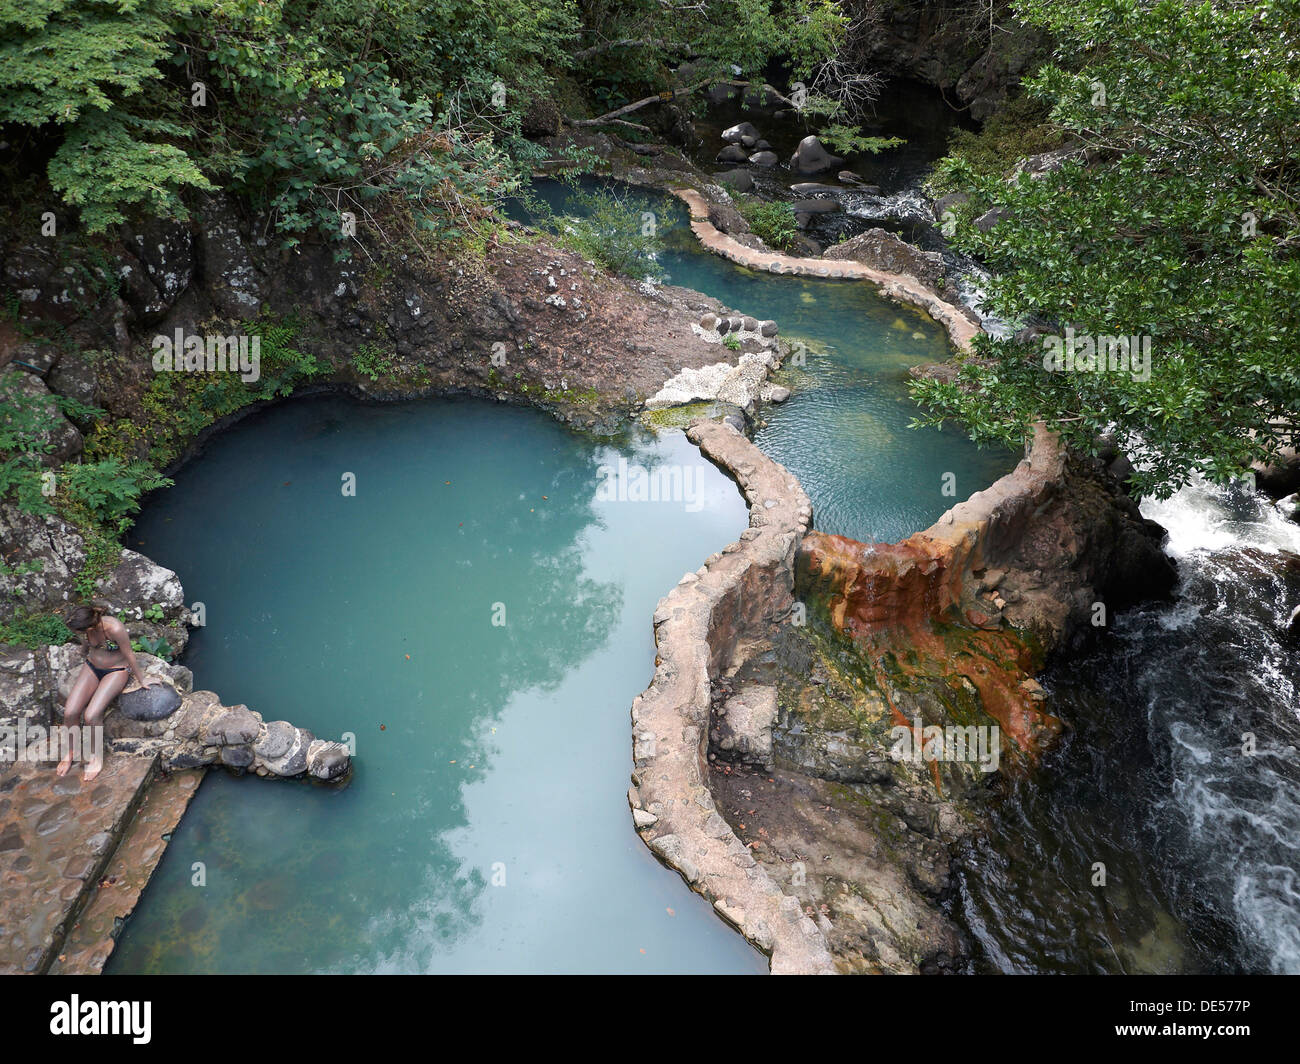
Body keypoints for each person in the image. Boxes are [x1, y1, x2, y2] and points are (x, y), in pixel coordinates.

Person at [60, 604, 157, 781]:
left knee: (91, 715)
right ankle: (70, 751)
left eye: (78, 631)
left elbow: (129, 654)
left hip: (116, 669)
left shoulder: (114, 628)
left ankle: (97, 757)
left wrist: (142, 680)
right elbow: (86, 644)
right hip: (92, 667)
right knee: (70, 711)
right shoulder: (87, 629)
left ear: (89, 626)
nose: (77, 634)